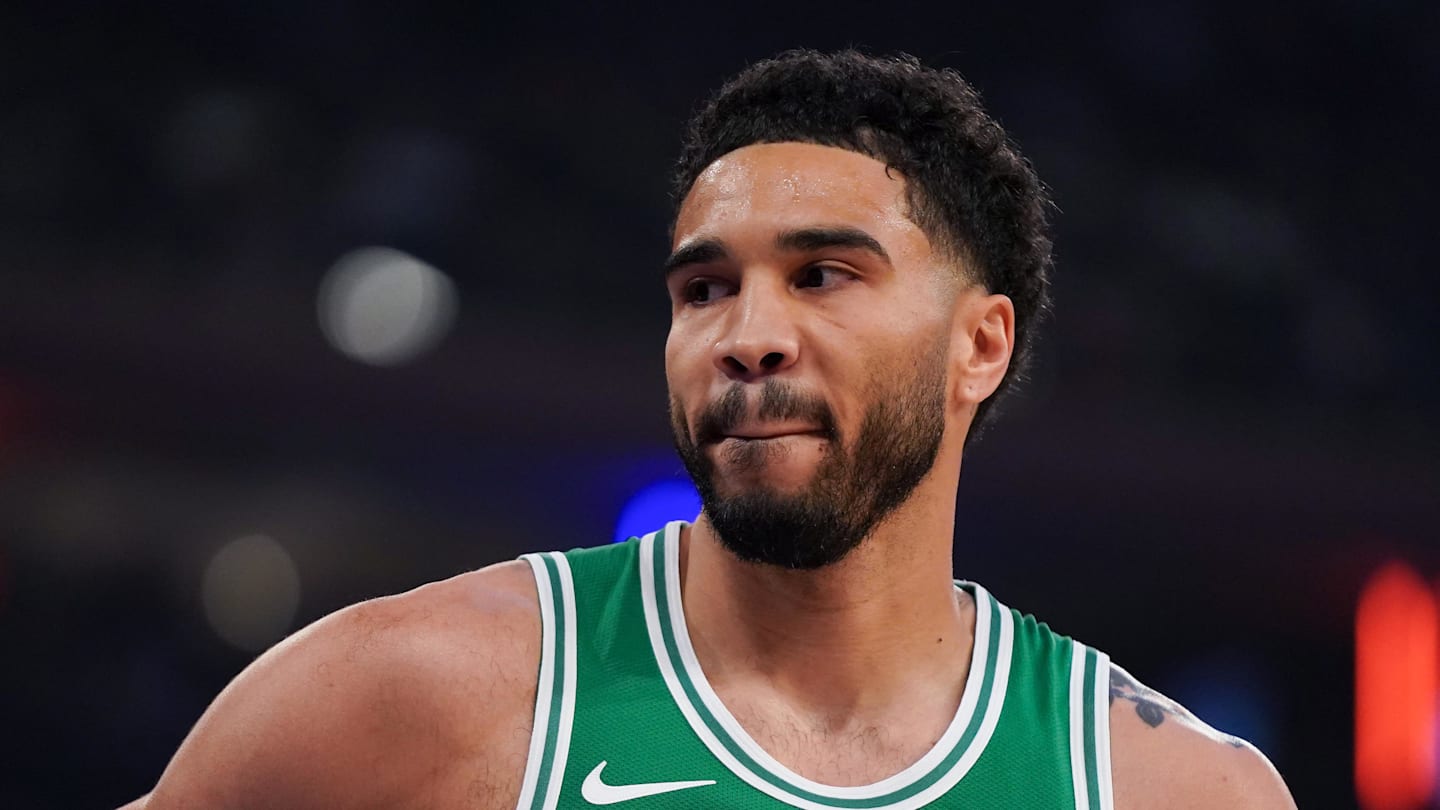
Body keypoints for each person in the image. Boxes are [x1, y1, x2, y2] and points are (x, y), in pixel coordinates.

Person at [126, 50, 1297, 809]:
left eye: (823, 276)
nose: (747, 335)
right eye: (703, 290)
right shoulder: (423, 694)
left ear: (978, 346)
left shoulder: (1163, 786)